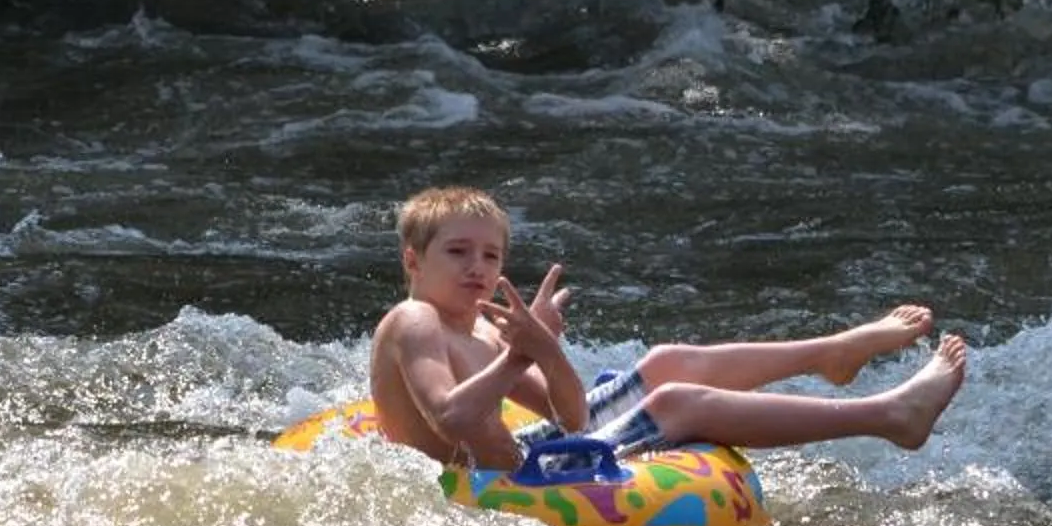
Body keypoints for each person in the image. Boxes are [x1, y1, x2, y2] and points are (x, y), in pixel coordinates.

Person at [367, 185, 969, 474]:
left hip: (523, 457)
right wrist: (516, 360)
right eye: (457, 252)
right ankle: (888, 415)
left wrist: (545, 351)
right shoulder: (414, 320)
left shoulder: (486, 330)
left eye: (492, 256)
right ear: (413, 262)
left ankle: (832, 353)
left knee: (667, 361)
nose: (478, 268)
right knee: (677, 402)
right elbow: (450, 417)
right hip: (496, 482)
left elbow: (573, 419)